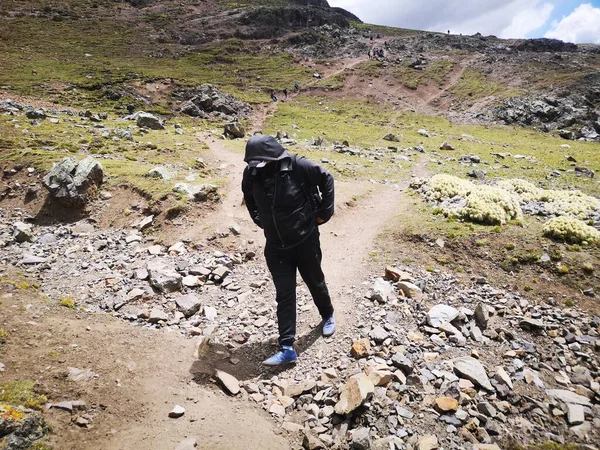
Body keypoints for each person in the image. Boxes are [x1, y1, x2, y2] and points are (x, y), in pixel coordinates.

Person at [241, 135, 336, 366]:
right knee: (284, 294)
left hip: (305, 240)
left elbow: (326, 178)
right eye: (253, 162)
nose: (256, 166)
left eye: (261, 161)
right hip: (275, 246)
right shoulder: (252, 174)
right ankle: (286, 347)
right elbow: (249, 197)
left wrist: (325, 212)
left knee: (315, 281)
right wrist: (258, 219)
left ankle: (327, 315)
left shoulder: (297, 165)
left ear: (273, 156)